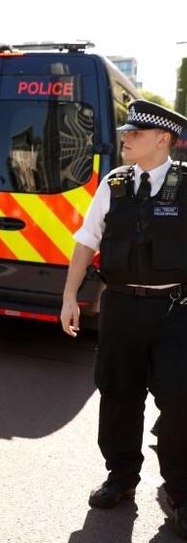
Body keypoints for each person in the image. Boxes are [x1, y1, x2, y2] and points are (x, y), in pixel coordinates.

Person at [61, 99, 187, 538]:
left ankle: (180, 490)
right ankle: (121, 477)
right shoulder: (113, 184)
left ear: (163, 139)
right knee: (118, 395)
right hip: (119, 307)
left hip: (175, 310)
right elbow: (85, 241)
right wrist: (69, 296)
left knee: (180, 399)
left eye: (135, 133)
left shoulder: (186, 184)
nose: (126, 137)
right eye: (127, 131)